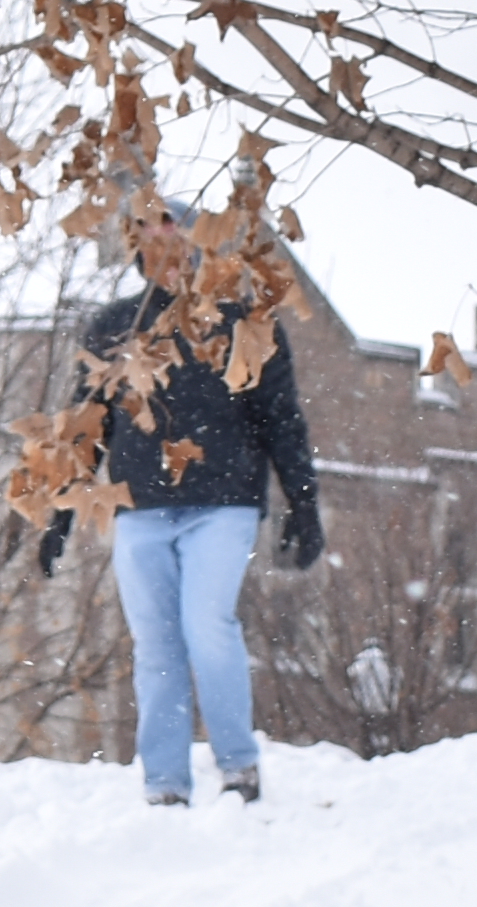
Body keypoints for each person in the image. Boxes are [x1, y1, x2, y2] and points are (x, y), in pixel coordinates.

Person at [38, 226, 325, 806]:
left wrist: (305, 504)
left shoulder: (244, 320)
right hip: (140, 508)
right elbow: (86, 426)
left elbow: (281, 419)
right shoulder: (116, 326)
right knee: (156, 645)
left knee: (208, 627)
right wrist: (59, 516)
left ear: (203, 251)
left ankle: (239, 767)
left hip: (222, 504)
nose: (168, 260)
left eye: (180, 246)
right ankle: (164, 783)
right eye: (154, 248)